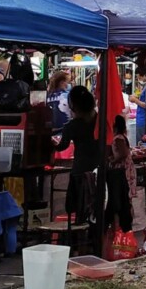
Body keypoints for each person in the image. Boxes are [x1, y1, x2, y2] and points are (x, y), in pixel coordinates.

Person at [55, 83, 103, 232]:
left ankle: (77, 242)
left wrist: (49, 143)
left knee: (76, 209)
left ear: (73, 106)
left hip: (80, 170)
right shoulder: (100, 121)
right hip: (99, 170)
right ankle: (94, 237)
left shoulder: (72, 126)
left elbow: (62, 146)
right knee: (98, 207)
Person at [106, 112, 135, 234]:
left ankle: (122, 228)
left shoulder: (118, 138)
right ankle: (122, 227)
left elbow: (122, 154)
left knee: (122, 199)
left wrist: (112, 160)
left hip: (122, 170)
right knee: (125, 198)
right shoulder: (122, 137)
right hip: (124, 169)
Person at [46, 66, 73, 132]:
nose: (68, 85)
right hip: (65, 131)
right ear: (61, 82)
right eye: (67, 82)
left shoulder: (46, 96)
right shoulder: (68, 96)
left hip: (49, 132)